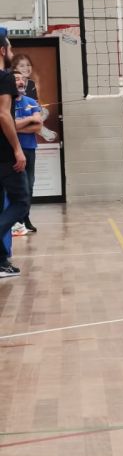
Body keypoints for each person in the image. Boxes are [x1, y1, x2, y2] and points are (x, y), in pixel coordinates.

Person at [0, 29, 29, 277]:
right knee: (21, 202)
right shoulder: (5, 78)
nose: (11, 52)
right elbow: (3, 115)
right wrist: (17, 149)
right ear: (2, 50)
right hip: (4, 153)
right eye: (9, 48)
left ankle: (1, 263)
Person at [11, 74, 42, 236]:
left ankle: (25, 219)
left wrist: (16, 126)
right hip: (11, 151)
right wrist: (30, 119)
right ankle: (15, 221)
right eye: (16, 79)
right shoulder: (6, 103)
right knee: (16, 187)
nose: (21, 81)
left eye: (22, 79)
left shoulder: (31, 102)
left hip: (29, 149)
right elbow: (8, 126)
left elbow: (37, 127)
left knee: (29, 185)